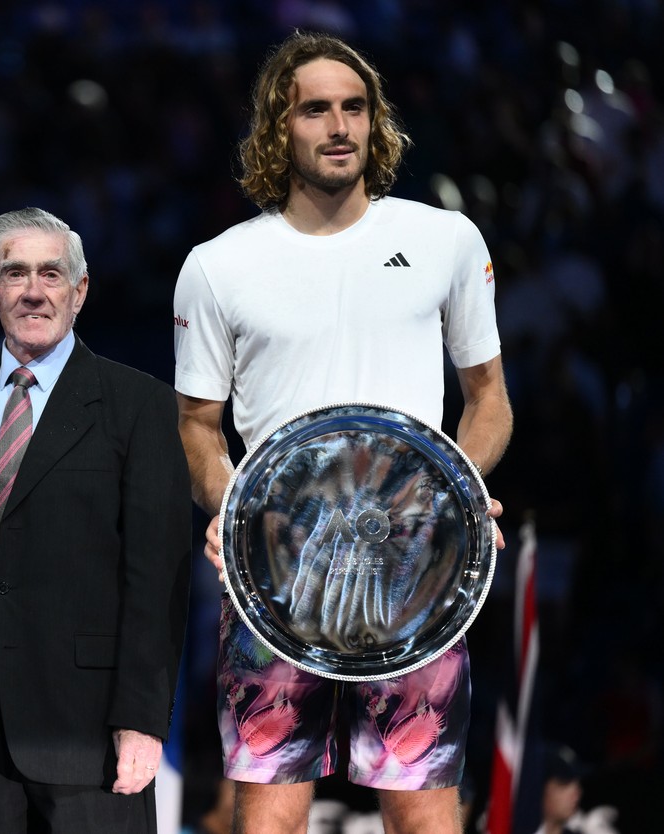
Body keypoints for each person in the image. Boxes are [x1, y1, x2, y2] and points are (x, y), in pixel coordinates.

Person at [173, 31, 513, 834]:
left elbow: (489, 399)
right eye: (315, 109)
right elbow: (196, 423)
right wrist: (231, 510)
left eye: (354, 107)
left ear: (375, 121)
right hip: (276, 572)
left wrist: (461, 496)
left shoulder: (446, 241)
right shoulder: (220, 265)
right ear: (277, 127)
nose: (338, 125)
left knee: (425, 812)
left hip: (415, 568)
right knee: (269, 814)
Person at [0, 207, 191, 832]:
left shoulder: (140, 404)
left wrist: (141, 718)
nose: (33, 291)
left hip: (92, 731)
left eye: (52, 274)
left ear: (80, 292)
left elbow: (156, 578)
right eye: (15, 273)